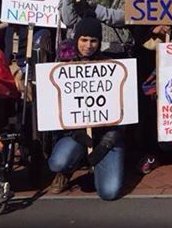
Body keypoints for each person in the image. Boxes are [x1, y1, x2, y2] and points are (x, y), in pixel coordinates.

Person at [48, 17, 125, 200]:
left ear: (99, 42)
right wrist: (77, 134)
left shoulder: (111, 67)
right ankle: (66, 171)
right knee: (58, 162)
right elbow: (55, 111)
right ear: (76, 40)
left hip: (106, 139)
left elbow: (123, 116)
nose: (88, 45)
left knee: (110, 192)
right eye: (84, 40)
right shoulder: (63, 68)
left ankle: (103, 165)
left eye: (93, 41)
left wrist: (104, 145)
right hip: (75, 135)